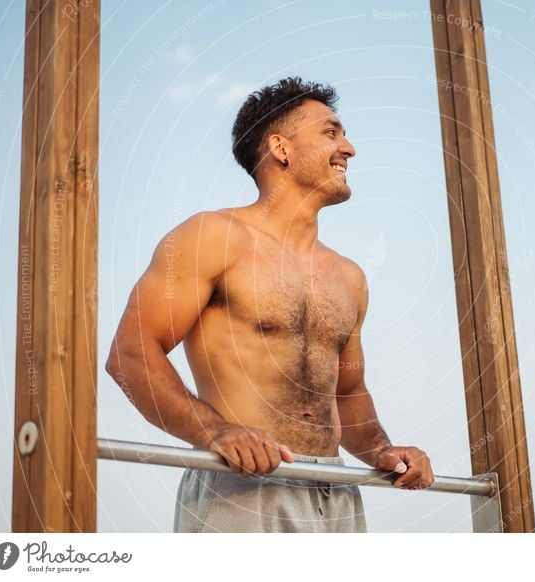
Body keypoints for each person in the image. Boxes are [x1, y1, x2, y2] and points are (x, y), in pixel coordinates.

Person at [105, 77, 435, 533]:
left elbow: (348, 393)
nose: (349, 148)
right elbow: (130, 354)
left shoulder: (348, 277)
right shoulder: (212, 238)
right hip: (242, 487)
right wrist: (216, 434)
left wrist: (384, 450)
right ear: (281, 148)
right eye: (331, 132)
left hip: (334, 492)